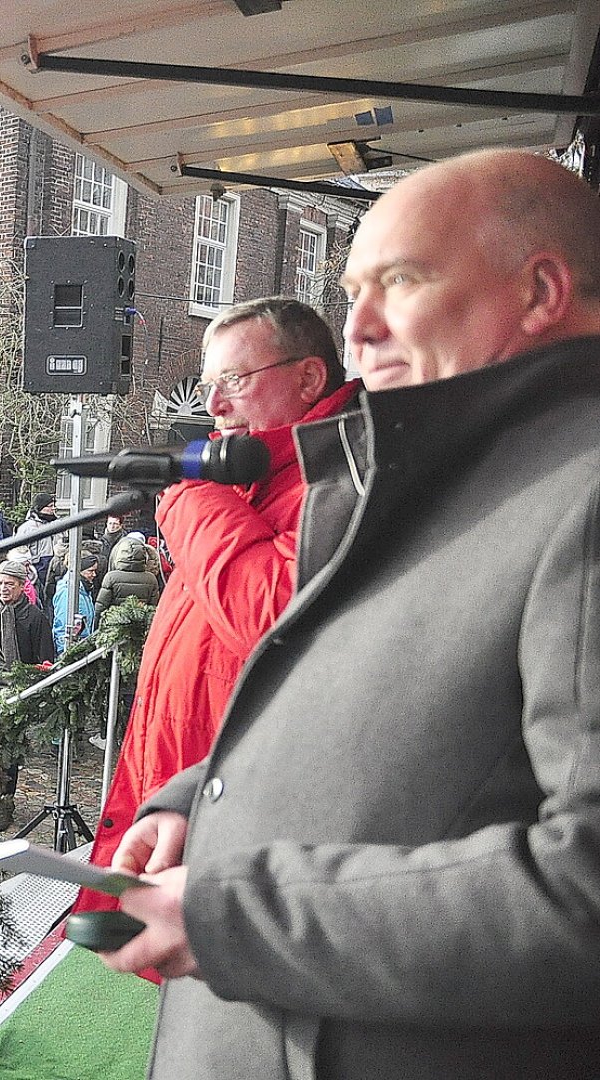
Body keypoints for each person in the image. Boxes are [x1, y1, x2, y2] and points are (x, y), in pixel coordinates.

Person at [100, 150, 600, 1079]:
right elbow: (389, 708)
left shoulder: (578, 490)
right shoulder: (443, 472)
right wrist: (198, 801)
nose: (359, 331)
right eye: (352, 292)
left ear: (540, 292)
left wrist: (231, 916)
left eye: (399, 282)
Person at [75, 296, 359, 931]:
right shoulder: (245, 483)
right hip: (186, 807)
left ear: (310, 378)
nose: (213, 406)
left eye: (234, 381)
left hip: (250, 823)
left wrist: (190, 499)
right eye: (210, 386)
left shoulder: (336, 478)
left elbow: (266, 619)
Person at [0, 559, 54, 665]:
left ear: (22, 586)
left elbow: (45, 658)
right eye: (0, 583)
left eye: (9, 584)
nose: (3, 588)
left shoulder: (35, 617)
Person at [94, 536, 161, 612]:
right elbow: (153, 608)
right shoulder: (151, 579)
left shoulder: (111, 577)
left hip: (114, 621)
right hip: (142, 622)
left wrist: (96, 622)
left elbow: (101, 606)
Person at [50, 554, 99, 649]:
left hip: (82, 647)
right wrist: (64, 653)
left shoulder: (84, 590)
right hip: (72, 649)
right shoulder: (67, 592)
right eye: (90, 571)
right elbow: (62, 626)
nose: (94, 575)